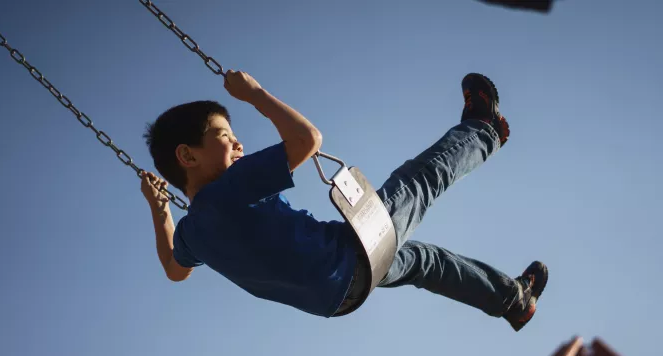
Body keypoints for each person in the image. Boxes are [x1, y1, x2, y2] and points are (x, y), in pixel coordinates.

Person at [140, 70, 548, 331]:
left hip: (337, 297)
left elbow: (175, 270)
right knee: (418, 182)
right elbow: (307, 140)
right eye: (223, 136)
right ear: (187, 155)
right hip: (347, 258)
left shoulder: (192, 232)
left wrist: (161, 212)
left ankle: (513, 300)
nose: (237, 141)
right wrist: (255, 94)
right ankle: (484, 129)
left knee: (426, 262)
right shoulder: (228, 190)